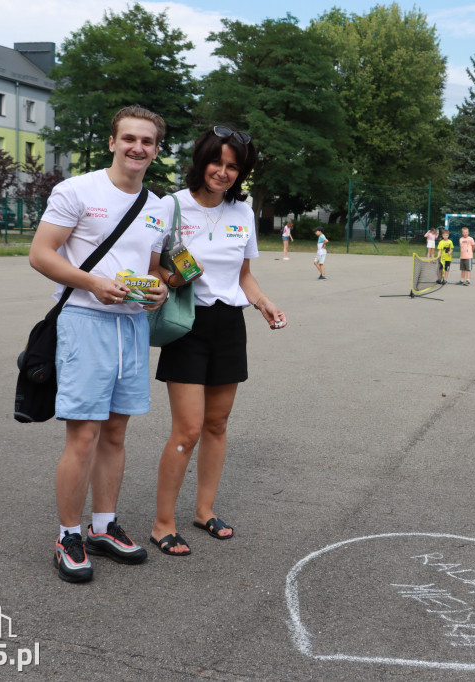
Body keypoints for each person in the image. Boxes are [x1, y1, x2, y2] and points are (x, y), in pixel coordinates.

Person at [29, 105, 169, 583]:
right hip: (85, 320)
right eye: (129, 138)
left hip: (131, 327)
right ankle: (69, 534)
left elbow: (151, 269)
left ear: (156, 149)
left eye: (147, 141)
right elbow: (40, 254)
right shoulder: (77, 190)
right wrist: (91, 283)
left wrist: (159, 289)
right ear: (112, 142)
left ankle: (103, 527)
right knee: (84, 435)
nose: (137, 148)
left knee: (115, 433)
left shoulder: (158, 205)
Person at [148, 125, 286, 557]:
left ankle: (204, 510)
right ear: (201, 161)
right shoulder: (171, 207)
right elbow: (153, 270)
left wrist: (263, 302)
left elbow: (243, 276)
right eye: (216, 162)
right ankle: (162, 523)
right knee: (187, 429)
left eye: (232, 167)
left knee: (217, 425)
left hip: (230, 325)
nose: (223, 173)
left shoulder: (242, 213)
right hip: (188, 323)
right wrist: (175, 276)